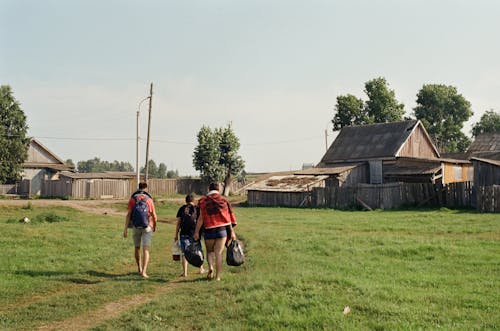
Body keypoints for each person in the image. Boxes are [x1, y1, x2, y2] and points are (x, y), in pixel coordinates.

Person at [194, 182, 237, 281]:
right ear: (218, 190)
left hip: (209, 230)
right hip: (222, 230)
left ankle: (210, 268)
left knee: (209, 251)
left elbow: (200, 218)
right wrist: (232, 232)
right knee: (219, 253)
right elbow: (228, 217)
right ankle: (217, 277)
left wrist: (196, 232)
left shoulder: (203, 201)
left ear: (209, 189)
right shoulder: (223, 200)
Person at [123, 182, 158, 278]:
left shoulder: (133, 199)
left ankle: (139, 268)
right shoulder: (149, 200)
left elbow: (129, 214)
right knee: (146, 249)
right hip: (147, 227)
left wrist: (125, 229)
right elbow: (154, 215)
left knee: (137, 248)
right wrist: (154, 226)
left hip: (136, 226)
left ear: (138, 188)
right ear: (146, 188)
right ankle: (144, 272)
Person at [174, 193, 206, 277]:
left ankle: (185, 272)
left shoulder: (182, 209)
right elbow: (200, 220)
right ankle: (201, 269)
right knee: (198, 250)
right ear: (193, 200)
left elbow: (178, 223)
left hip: (183, 233)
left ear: (186, 201)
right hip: (194, 233)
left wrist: (176, 235)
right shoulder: (197, 208)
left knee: (185, 252)